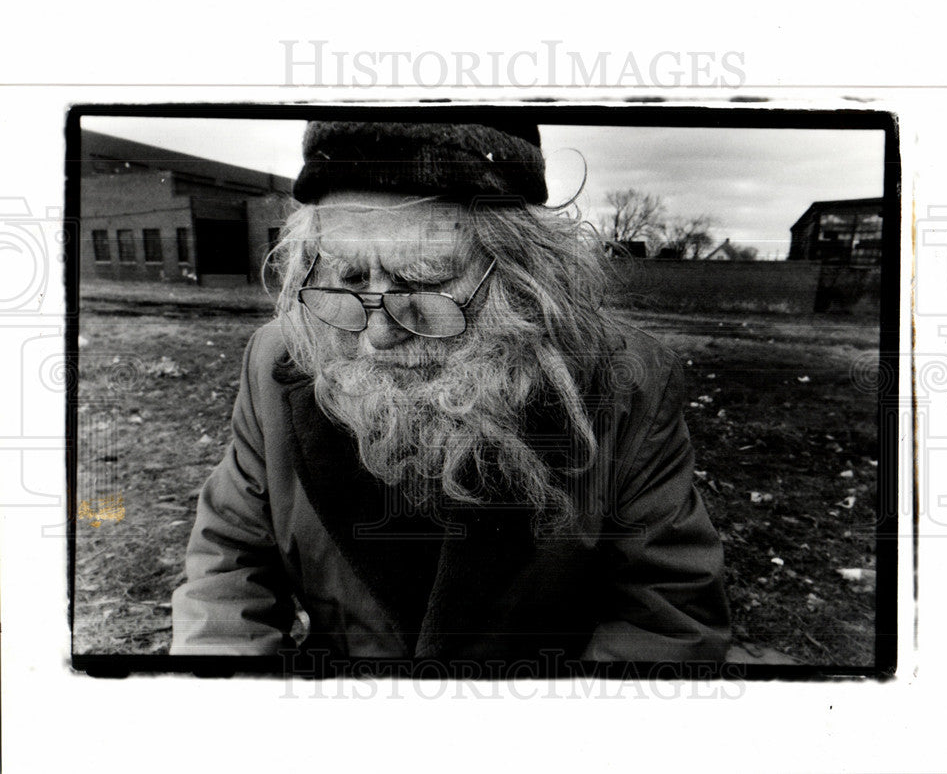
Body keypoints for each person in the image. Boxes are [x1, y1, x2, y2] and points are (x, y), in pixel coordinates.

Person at [170, 120, 731, 665]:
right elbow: (227, 566)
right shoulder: (277, 362)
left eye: (424, 283)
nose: (378, 335)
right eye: (348, 276)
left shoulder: (626, 386)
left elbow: (666, 619)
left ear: (526, 278)